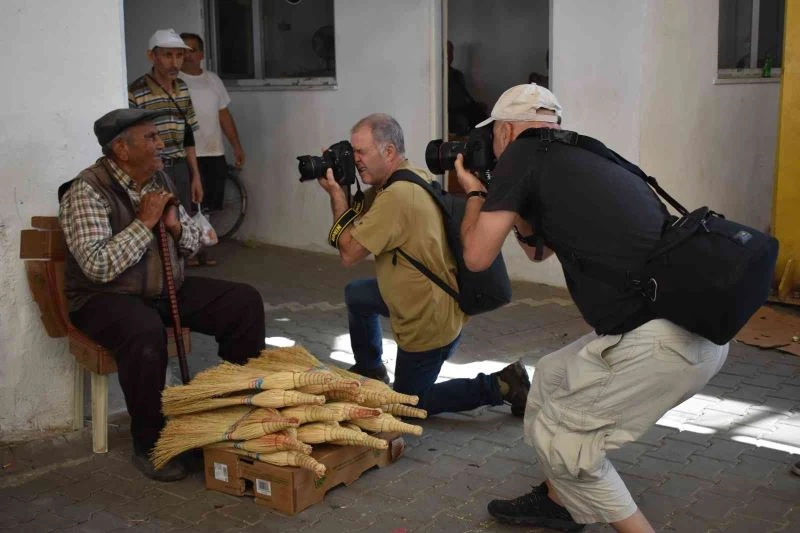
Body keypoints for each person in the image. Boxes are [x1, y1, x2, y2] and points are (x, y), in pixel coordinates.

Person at [455, 84, 728, 532]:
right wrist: (512, 199)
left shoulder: (520, 157)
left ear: (503, 130)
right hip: (695, 332)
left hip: (660, 345)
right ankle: (559, 501)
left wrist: (475, 194)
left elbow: (475, 258)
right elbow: (537, 252)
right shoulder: (584, 154)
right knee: (551, 375)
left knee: (567, 442)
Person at [59, 108, 266, 482]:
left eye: (158, 137)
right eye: (150, 138)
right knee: (144, 331)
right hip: (102, 298)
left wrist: (172, 227)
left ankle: (234, 411)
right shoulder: (86, 190)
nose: (161, 144)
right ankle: (151, 442)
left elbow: (191, 245)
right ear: (121, 149)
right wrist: (144, 223)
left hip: (160, 287)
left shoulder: (159, 179)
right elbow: (98, 267)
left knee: (243, 302)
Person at [316, 113, 530, 418]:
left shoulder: (397, 197)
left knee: (407, 404)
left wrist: (337, 194)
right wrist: (345, 182)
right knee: (358, 294)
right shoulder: (404, 176)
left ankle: (501, 385)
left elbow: (348, 252)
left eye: (360, 152)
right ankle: (371, 367)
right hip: (422, 298)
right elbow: (357, 222)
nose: (355, 160)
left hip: (427, 321)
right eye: (352, 153)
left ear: (388, 151)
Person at [180, 32, 247, 266]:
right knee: (187, 204)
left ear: (201, 54)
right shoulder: (175, 81)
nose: (187, 55)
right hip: (186, 153)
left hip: (213, 151)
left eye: (192, 50)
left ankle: (201, 249)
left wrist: (236, 146)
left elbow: (224, 115)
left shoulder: (213, 80)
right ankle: (187, 252)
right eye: (183, 50)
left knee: (207, 205)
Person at [128, 29, 203, 221]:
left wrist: (195, 176)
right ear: (151, 56)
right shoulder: (136, 92)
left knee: (184, 224)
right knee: (159, 225)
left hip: (180, 168)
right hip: (153, 170)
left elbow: (188, 136)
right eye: (167, 55)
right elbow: (133, 141)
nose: (175, 62)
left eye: (179, 55)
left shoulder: (183, 89)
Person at [447, 41, 488, 136]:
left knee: (484, 117)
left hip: (462, 108)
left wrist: (476, 105)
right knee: (462, 121)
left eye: (451, 53)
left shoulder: (457, 74)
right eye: (447, 52)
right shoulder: (436, 76)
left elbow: (464, 97)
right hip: (450, 112)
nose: (449, 56)